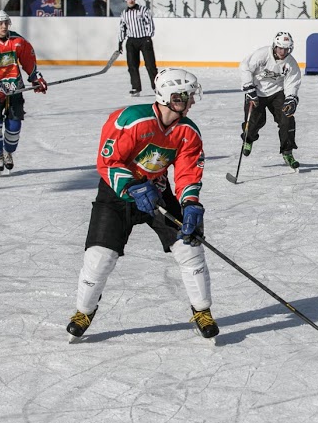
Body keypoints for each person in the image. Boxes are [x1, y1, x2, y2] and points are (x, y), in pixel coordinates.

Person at [66, 68, 217, 341]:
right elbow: (108, 161)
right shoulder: (131, 120)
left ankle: (202, 310)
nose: (192, 101)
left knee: (190, 247)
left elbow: (188, 169)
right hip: (116, 194)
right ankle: (84, 310)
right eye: (187, 96)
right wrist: (131, 185)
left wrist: (191, 202)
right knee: (100, 257)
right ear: (171, 97)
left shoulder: (187, 131)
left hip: (156, 192)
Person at [0, 10, 48, 173]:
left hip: (15, 89)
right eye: (0, 23)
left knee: (14, 125)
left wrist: (36, 77)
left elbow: (28, 60)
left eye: (6, 23)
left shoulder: (18, 41)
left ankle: (8, 152)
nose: (4, 26)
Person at [239, 31, 302, 170]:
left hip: (277, 93)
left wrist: (291, 98)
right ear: (275, 46)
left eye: (286, 49)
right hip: (256, 91)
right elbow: (245, 67)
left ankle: (287, 152)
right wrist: (249, 88)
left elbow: (293, 81)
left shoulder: (290, 62)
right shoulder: (262, 54)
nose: (283, 51)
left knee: (287, 119)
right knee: (256, 122)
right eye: (280, 48)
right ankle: (248, 139)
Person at [118, 0, 158, 97]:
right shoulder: (124, 13)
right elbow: (122, 28)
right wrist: (120, 41)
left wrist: (148, 36)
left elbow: (149, 23)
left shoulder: (143, 10)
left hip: (144, 39)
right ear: (126, 1)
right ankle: (136, 88)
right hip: (131, 41)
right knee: (132, 66)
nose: (131, 1)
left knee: (150, 65)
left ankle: (156, 87)